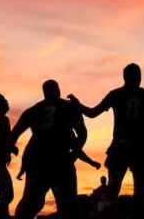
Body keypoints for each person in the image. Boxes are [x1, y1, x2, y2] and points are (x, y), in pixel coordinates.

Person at [69, 64, 144, 200]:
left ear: (124, 77)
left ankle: (111, 211)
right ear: (139, 77)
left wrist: (78, 105)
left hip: (121, 147)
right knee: (139, 190)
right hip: (140, 148)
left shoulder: (116, 94)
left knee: (114, 188)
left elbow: (92, 113)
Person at [11, 80, 88, 219]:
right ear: (58, 90)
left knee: (30, 204)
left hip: (38, 162)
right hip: (61, 160)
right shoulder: (69, 107)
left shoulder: (33, 110)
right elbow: (83, 133)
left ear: (44, 93)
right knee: (68, 206)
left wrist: (11, 149)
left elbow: (14, 134)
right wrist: (74, 154)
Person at [16, 135, 100, 181]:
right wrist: (23, 168)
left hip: (59, 168)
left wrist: (91, 162)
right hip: (45, 168)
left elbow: (29, 149)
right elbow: (29, 149)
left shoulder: (66, 130)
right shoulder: (65, 130)